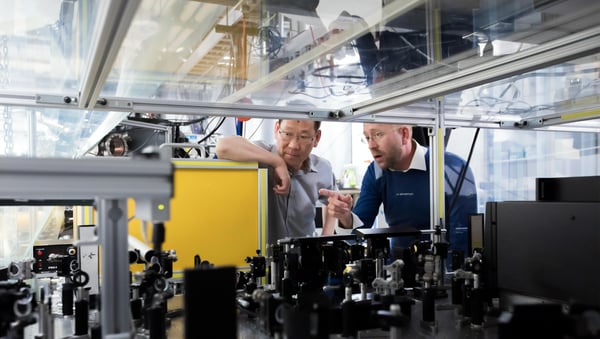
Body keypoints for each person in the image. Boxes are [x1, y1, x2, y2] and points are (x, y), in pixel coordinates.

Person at [319, 123, 477, 261]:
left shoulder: (452, 169)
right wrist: (345, 216)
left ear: (404, 134)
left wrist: (448, 281)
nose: (371, 145)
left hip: (441, 271)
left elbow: (462, 238)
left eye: (378, 134)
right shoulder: (376, 172)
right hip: (396, 270)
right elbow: (359, 230)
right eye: (367, 137)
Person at [215, 119, 337, 246]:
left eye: (304, 137)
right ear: (276, 129)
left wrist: (325, 238)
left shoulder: (323, 168)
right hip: (264, 257)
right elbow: (223, 147)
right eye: (287, 134)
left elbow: (332, 202)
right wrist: (277, 163)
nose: (294, 145)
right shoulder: (260, 153)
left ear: (316, 138)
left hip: (305, 257)